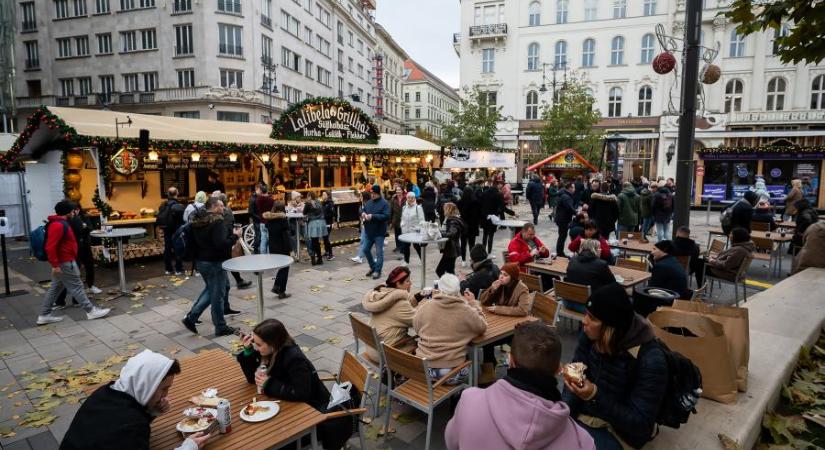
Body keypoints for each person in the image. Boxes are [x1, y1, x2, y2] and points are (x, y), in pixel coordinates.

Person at [445, 322, 595, 450]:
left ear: (510, 361)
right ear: (558, 370)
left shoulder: (468, 401)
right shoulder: (582, 442)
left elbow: (451, 441)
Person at [563, 283, 668, 450]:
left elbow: (640, 425)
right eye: (586, 314)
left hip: (619, 433)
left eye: (592, 318)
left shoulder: (650, 360)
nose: (584, 321)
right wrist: (564, 413)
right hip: (586, 414)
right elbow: (575, 376)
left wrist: (594, 395)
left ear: (611, 327)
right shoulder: (590, 335)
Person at [237, 319, 355, 449]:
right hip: (289, 406)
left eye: (259, 345)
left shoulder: (294, 358)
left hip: (314, 414)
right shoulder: (271, 353)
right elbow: (253, 380)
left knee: (272, 442)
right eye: (255, 343)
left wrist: (269, 384)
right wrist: (248, 352)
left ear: (272, 344)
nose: (256, 348)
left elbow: (302, 393)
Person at [60, 350, 212, 450]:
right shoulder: (133, 425)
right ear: (145, 385)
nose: (166, 395)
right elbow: (127, 428)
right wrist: (187, 448)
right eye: (163, 389)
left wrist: (150, 411)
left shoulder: (104, 392)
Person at [37, 201, 111, 325]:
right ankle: (91, 311)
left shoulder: (60, 223)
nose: (75, 212)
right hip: (65, 262)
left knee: (55, 289)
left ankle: (44, 315)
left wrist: (56, 264)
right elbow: (51, 247)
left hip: (64, 261)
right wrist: (55, 265)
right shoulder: (59, 225)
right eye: (73, 210)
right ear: (68, 212)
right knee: (77, 286)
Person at [181, 197, 241, 336]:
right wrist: (235, 236)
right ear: (213, 207)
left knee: (211, 290)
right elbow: (221, 244)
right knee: (217, 295)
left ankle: (192, 317)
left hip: (202, 262)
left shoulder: (196, 221)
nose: (223, 208)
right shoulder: (217, 222)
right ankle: (220, 326)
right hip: (215, 262)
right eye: (220, 206)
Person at [413, 273, 487, 384]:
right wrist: (473, 303)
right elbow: (482, 327)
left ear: (440, 288)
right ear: (458, 289)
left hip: (423, 369)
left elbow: (416, 328)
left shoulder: (425, 306)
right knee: (477, 362)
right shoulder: (465, 310)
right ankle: (463, 394)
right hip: (451, 373)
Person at [475, 263, 531, 383]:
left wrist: (498, 309)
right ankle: (489, 369)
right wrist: (492, 289)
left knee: (487, 339)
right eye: (501, 273)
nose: (501, 277)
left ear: (513, 277)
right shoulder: (500, 285)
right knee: (486, 336)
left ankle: (492, 369)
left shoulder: (522, 288)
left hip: (515, 329)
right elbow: (483, 302)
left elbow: (523, 310)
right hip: (503, 323)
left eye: (505, 275)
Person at [362, 267, 421, 360]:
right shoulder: (400, 304)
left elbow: (401, 309)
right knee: (425, 347)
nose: (411, 283)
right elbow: (419, 322)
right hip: (384, 353)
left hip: (372, 347)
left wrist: (418, 296)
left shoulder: (383, 294)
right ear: (398, 283)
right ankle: (397, 373)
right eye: (407, 281)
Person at [54, 203, 99, 309]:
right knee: (71, 280)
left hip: (73, 253)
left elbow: (87, 229)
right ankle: (78, 303)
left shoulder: (67, 221)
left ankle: (64, 302)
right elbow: (55, 244)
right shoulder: (66, 223)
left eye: (75, 210)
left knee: (67, 280)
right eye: (72, 211)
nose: (74, 212)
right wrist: (54, 263)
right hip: (69, 256)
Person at [213, 192, 251, 294]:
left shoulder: (221, 213)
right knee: (229, 261)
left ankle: (236, 281)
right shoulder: (228, 211)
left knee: (227, 261)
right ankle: (238, 281)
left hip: (224, 240)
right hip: (228, 239)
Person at [564, 239, 616, 313]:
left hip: (568, 302)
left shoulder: (572, 260)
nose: (600, 250)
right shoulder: (601, 264)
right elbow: (612, 283)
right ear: (596, 250)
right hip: (588, 306)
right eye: (599, 248)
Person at [263, 201, 292, 299]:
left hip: (273, 247)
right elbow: (286, 236)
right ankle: (281, 291)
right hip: (283, 247)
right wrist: (290, 249)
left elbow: (267, 228)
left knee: (282, 268)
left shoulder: (269, 219)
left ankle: (276, 287)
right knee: (285, 268)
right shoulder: (283, 220)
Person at [362, 184, 391, 280]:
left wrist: (373, 216)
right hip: (369, 231)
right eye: (371, 193)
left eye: (374, 193)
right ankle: (373, 267)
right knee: (365, 249)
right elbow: (363, 209)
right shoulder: (369, 202)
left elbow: (386, 216)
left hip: (379, 232)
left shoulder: (384, 203)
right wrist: (362, 213)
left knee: (379, 253)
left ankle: (377, 271)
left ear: (378, 193)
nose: (372, 195)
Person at [480, 181, 515, 254]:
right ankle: (489, 253)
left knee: (485, 235)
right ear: (498, 185)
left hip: (485, 217)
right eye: (501, 185)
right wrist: (513, 213)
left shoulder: (484, 193)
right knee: (491, 236)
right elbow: (503, 208)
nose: (501, 187)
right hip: (494, 218)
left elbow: (480, 206)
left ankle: (483, 252)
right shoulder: (499, 194)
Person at [436, 202, 466, 276]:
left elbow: (452, 233)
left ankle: (448, 285)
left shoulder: (453, 221)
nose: (443, 211)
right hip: (452, 249)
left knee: (440, 271)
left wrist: (440, 234)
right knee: (450, 271)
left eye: (444, 209)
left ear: (448, 210)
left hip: (451, 249)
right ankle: (452, 285)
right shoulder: (454, 219)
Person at [398, 191, 424, 266]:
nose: (410, 199)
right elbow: (403, 218)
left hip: (415, 231)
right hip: (406, 230)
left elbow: (422, 220)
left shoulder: (418, 208)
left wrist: (419, 229)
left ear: (414, 198)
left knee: (417, 246)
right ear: (406, 198)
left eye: (412, 198)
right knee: (406, 246)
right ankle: (406, 261)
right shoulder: (404, 207)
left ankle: (422, 260)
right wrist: (402, 225)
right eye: (409, 197)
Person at [302, 192, 328, 266]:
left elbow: (304, 212)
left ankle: (313, 259)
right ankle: (319, 259)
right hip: (321, 222)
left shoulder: (308, 203)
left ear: (310, 196)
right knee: (317, 241)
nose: (307, 198)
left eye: (307, 196)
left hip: (313, 223)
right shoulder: (319, 202)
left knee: (313, 241)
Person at [458, 186, 481, 266]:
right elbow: (478, 215)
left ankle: (463, 260)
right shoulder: (476, 202)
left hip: (463, 225)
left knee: (463, 244)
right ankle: (472, 259)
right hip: (473, 225)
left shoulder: (460, 202)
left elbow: (458, 214)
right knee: (472, 244)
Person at [555, 182, 577, 256]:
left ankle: (560, 252)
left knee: (562, 235)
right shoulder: (566, 196)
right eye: (573, 187)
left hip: (561, 218)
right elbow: (569, 208)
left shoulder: (565, 195)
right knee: (562, 236)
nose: (574, 189)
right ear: (569, 188)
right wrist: (576, 213)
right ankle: (560, 253)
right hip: (563, 219)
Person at [256, 185, 275, 254]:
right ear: (267, 191)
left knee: (263, 239)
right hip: (269, 221)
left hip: (262, 221)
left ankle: (263, 255)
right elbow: (273, 210)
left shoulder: (258, 199)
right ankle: (269, 255)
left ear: (261, 191)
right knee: (269, 240)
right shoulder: (271, 200)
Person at [389, 185, 405, 253]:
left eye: (399, 190)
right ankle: (398, 246)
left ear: (402, 191)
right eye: (397, 190)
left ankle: (403, 247)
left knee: (403, 233)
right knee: (397, 233)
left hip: (404, 218)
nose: (398, 191)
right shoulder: (393, 199)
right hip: (396, 218)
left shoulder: (406, 198)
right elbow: (391, 210)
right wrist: (390, 220)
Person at [320, 190, 335, 260]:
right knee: (324, 238)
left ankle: (331, 254)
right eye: (322, 194)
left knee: (326, 238)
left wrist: (324, 216)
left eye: (324, 194)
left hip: (328, 223)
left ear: (328, 196)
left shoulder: (330, 203)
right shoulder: (322, 203)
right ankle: (326, 251)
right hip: (323, 223)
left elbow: (332, 214)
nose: (322, 196)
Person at [249, 184, 262, 254]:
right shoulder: (253, 199)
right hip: (257, 220)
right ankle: (256, 251)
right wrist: (259, 217)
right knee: (258, 236)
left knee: (259, 235)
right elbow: (251, 212)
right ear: (257, 189)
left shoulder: (257, 197)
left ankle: (257, 250)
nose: (261, 191)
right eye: (260, 190)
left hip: (258, 219)